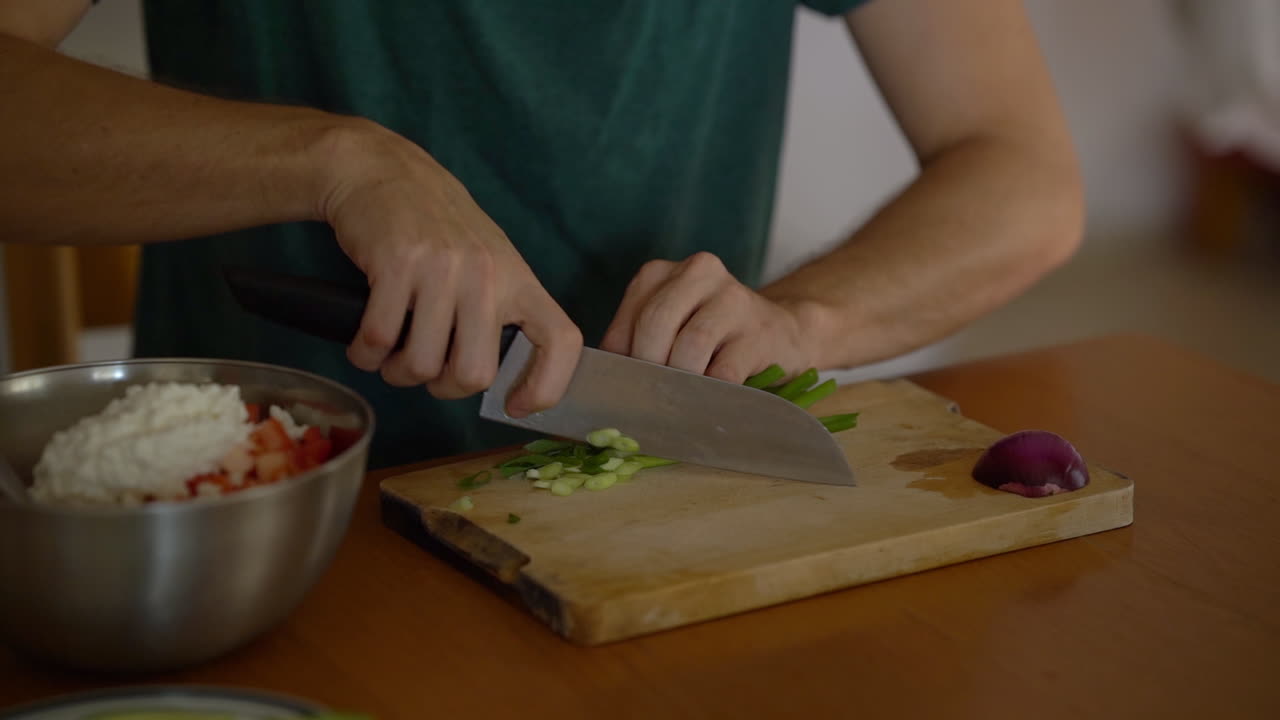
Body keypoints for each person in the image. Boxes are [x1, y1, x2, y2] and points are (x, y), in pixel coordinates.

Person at [0, 1, 1083, 469]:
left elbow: (1020, 169)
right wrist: (337, 162)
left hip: (648, 506)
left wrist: (804, 320)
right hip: (268, 517)